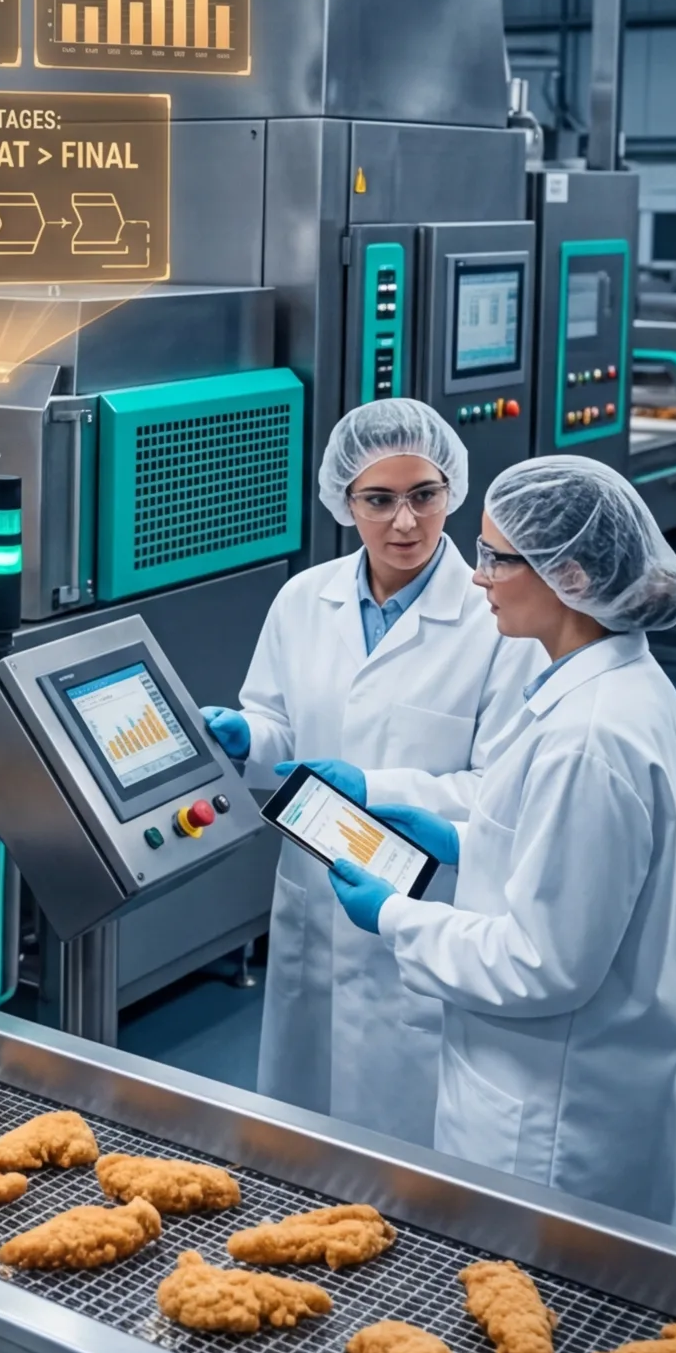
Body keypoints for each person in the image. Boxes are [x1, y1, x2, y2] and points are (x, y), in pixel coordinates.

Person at [326, 457, 676, 1224]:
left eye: (497, 558)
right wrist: (464, 842)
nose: (478, 577)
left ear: (569, 575)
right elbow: (579, 863)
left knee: (524, 1295)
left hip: (552, 1123)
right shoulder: (615, 690)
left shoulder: (590, 739)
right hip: (572, 1080)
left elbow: (543, 964)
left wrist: (394, 916)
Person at [201, 400, 544, 1145]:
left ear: (451, 489)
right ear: (344, 501)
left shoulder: (497, 622)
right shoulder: (304, 600)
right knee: (299, 1131)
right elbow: (281, 728)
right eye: (379, 500)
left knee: (406, 1148)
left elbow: (501, 791)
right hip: (315, 898)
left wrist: (373, 790)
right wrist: (245, 737)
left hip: (425, 905)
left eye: (424, 495)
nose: (405, 522)